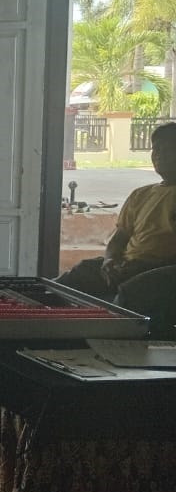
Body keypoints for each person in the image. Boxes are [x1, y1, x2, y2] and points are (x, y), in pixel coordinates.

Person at [58, 122, 176, 335]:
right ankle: (42, 325)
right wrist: (110, 261)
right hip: (126, 264)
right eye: (155, 149)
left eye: (166, 149)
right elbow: (119, 237)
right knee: (78, 274)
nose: (158, 155)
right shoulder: (141, 194)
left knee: (130, 292)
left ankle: (111, 340)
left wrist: (140, 267)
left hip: (162, 270)